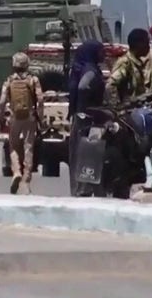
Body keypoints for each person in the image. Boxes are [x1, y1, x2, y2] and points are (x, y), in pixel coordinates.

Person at [0, 52, 44, 195]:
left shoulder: (9, 80)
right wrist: (40, 118)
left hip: (15, 118)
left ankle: (16, 171)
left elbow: (2, 101)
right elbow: (41, 100)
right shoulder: (33, 80)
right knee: (28, 147)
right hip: (29, 117)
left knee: (12, 146)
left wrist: (0, 117)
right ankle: (26, 180)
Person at [67, 40, 106, 197]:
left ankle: (79, 188)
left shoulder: (78, 68)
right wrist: (89, 105)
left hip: (80, 115)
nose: (104, 55)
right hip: (89, 117)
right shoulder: (90, 70)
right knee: (89, 151)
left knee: (79, 152)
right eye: (101, 52)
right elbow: (83, 86)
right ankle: (85, 187)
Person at [107, 29, 151, 107]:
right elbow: (111, 85)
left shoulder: (138, 62)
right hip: (129, 112)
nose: (148, 46)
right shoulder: (125, 63)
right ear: (139, 44)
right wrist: (117, 107)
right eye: (146, 43)